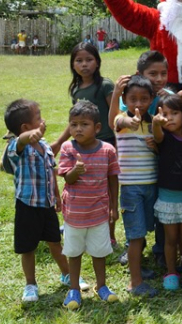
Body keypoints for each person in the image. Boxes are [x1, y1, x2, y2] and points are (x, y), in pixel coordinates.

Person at [3, 99, 73, 302]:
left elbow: (50, 173)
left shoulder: (44, 146)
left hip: (47, 204)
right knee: (28, 248)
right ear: (25, 127)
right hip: (27, 206)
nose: (43, 120)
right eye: (38, 117)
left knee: (55, 242)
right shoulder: (16, 148)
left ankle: (67, 274)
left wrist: (57, 197)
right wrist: (27, 136)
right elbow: (21, 141)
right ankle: (30, 284)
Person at [51, 43, 118, 246]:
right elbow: (75, 120)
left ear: (97, 62)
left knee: (104, 189)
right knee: (82, 186)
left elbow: (115, 113)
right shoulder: (76, 89)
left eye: (89, 59)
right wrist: (59, 142)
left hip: (104, 144)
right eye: (78, 61)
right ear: (72, 65)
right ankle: (78, 223)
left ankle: (110, 234)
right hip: (81, 146)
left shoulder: (105, 85)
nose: (84, 64)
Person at [57, 102, 120, 309]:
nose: (78, 129)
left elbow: (113, 179)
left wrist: (113, 206)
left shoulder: (108, 150)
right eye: (73, 124)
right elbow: (69, 179)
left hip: (99, 213)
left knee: (99, 252)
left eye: (84, 124)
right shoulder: (68, 148)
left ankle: (101, 286)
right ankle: (74, 288)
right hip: (74, 214)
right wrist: (76, 169)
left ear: (98, 128)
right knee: (73, 252)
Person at [113, 76, 160, 297]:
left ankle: (138, 268)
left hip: (151, 184)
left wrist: (155, 147)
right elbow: (116, 120)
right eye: (133, 99)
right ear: (125, 100)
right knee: (136, 235)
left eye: (144, 98)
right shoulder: (122, 122)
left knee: (144, 232)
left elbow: (160, 152)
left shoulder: (152, 124)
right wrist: (128, 119)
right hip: (131, 188)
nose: (138, 103)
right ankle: (135, 282)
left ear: (152, 99)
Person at [151, 95, 182, 291]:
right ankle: (171, 272)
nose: (169, 118)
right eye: (164, 114)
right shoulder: (163, 137)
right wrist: (156, 123)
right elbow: (156, 134)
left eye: (174, 113)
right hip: (167, 197)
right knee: (170, 239)